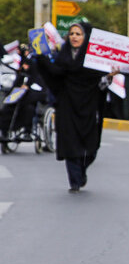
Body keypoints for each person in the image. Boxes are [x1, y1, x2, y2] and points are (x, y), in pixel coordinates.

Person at [35, 22, 115, 193]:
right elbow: (54, 75)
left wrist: (110, 76)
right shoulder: (62, 57)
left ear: (85, 37)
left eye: (78, 34)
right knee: (69, 143)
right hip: (67, 105)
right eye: (72, 34)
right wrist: (40, 58)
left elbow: (99, 84)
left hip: (88, 107)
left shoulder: (93, 61)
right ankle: (75, 180)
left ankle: (81, 170)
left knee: (90, 147)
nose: (74, 37)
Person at [0, 52, 48, 141]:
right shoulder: (21, 77)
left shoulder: (37, 78)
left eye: (27, 65)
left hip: (28, 102)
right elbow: (12, 89)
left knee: (28, 109)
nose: (25, 67)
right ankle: (5, 132)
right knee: (6, 109)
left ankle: (27, 132)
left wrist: (27, 89)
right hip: (16, 102)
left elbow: (42, 94)